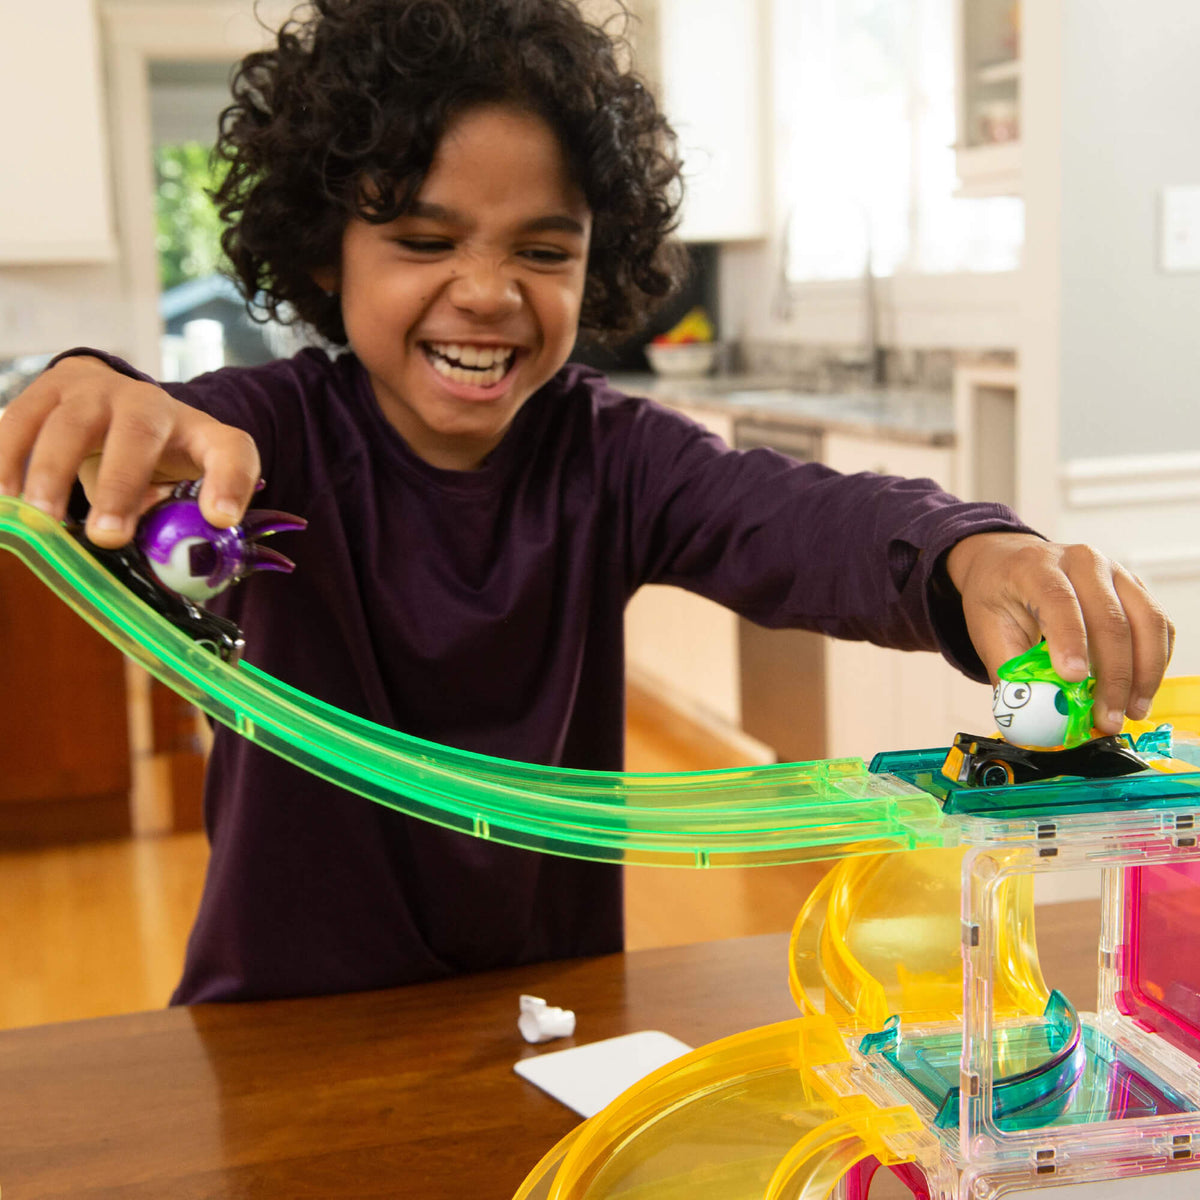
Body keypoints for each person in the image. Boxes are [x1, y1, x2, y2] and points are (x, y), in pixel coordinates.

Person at [0, 0, 1172, 1004]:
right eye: (422, 239)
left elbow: (806, 517)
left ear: (595, 261)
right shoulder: (266, 433)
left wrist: (972, 555)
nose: (489, 293)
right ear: (324, 252)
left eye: (544, 252)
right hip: (282, 1011)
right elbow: (137, 422)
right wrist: (90, 387)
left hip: (552, 1010)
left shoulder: (614, 457)